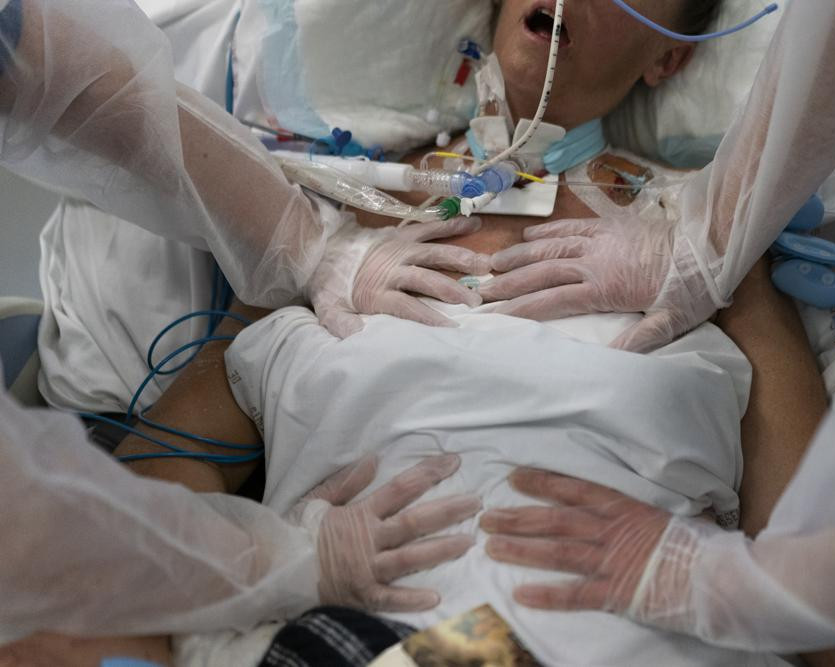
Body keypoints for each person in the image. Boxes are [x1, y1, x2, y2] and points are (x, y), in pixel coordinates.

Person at [8, 2, 835, 665]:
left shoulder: (716, 258)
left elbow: (828, 562)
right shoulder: (319, 236)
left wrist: (709, 579)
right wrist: (271, 553)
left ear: (669, 58)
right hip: (352, 626)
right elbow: (135, 506)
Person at [477, 0, 835, 655]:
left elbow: (805, 524)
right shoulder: (325, 206)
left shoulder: (713, 231)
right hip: (404, 600)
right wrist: (309, 554)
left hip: (584, 611)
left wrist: (715, 583)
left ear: (668, 57)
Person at [0, 0, 483, 640]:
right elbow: (61, 553)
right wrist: (281, 565)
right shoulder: (301, 296)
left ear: (667, 58)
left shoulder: (659, 255)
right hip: (389, 616)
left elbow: (41, 56)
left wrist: (303, 243)